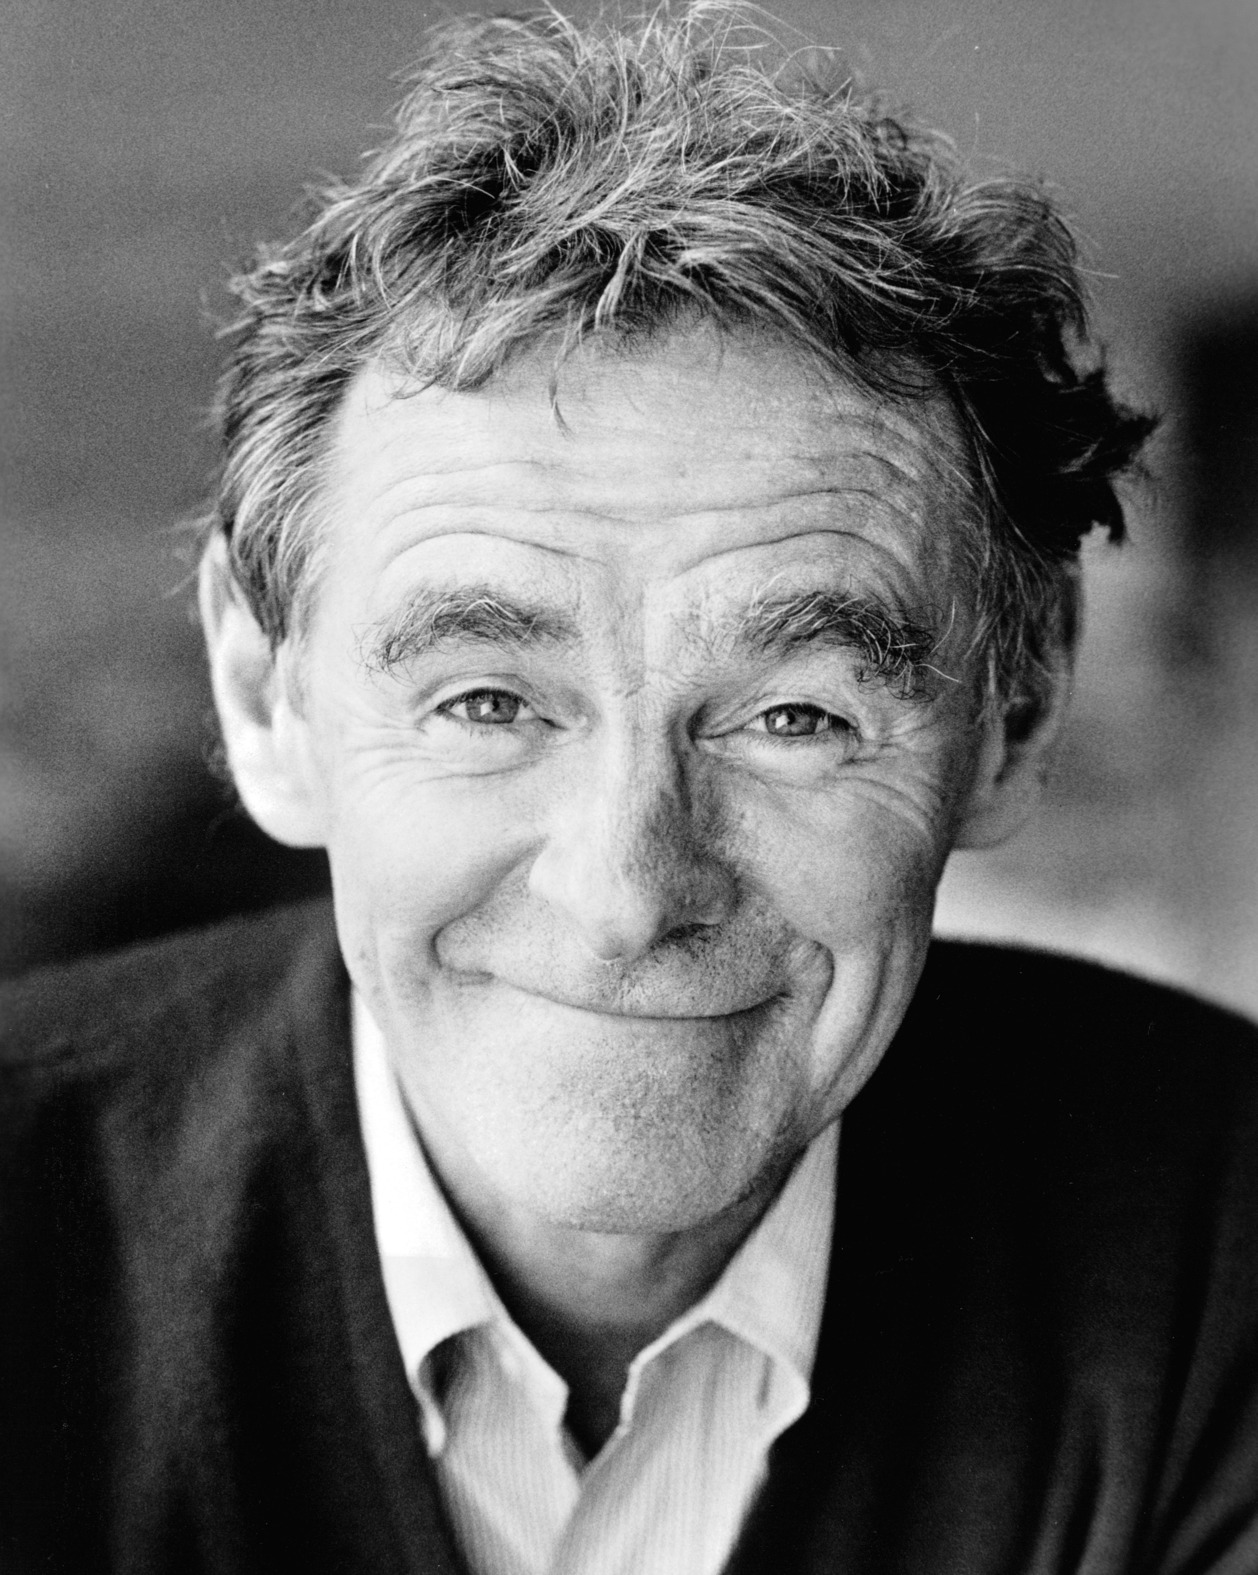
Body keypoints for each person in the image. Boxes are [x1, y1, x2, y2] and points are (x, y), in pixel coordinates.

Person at [3, 7, 1257, 1573]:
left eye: (793, 717)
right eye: (485, 702)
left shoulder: (1222, 1257)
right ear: (268, 698)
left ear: (1012, 714)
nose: (625, 892)